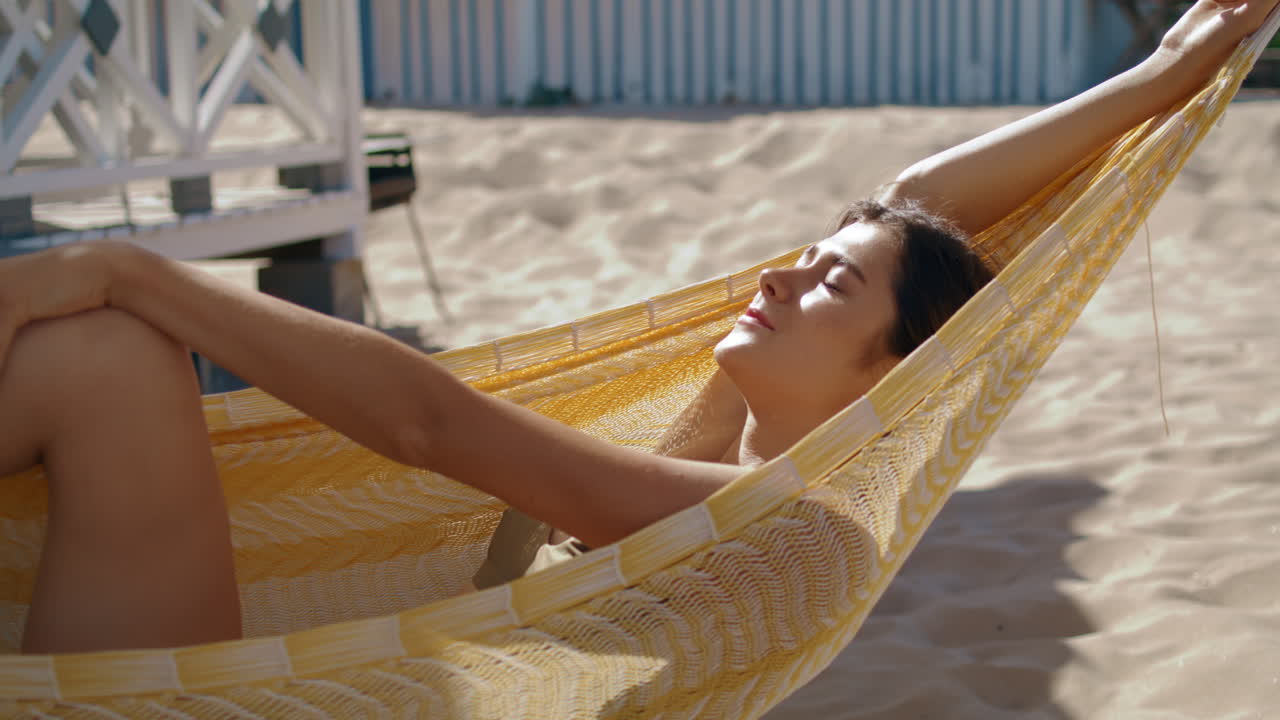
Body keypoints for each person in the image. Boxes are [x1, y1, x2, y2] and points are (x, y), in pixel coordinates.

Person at [2, 0, 1273, 654]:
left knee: (112, 358)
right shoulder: (724, 442)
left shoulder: (780, 530)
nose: (780, 275)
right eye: (807, 259)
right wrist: (1154, 78)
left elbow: (426, 422)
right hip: (246, 658)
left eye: (828, 289)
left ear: (887, 381)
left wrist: (133, 269)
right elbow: (916, 200)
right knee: (98, 355)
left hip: (215, 699)